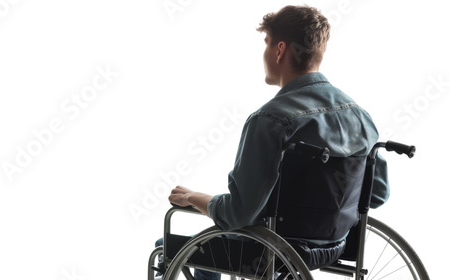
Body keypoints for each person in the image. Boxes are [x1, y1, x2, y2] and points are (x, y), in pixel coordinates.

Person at [160, 5, 389, 279]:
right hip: (335, 246)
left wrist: (194, 197)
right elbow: (376, 196)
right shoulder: (361, 117)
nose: (265, 53)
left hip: (270, 250)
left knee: (166, 247)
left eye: (267, 44)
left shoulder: (270, 119)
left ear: (279, 50)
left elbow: (238, 215)